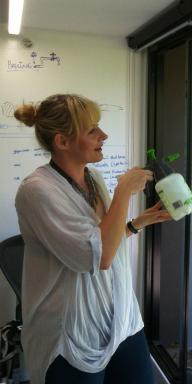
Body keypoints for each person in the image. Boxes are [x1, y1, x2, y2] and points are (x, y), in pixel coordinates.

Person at [13, 94, 171, 383]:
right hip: (72, 332)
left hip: (121, 317)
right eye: (92, 130)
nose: (104, 135)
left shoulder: (93, 178)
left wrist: (136, 224)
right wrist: (124, 191)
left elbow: (100, 238)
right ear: (62, 141)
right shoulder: (37, 191)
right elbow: (96, 257)